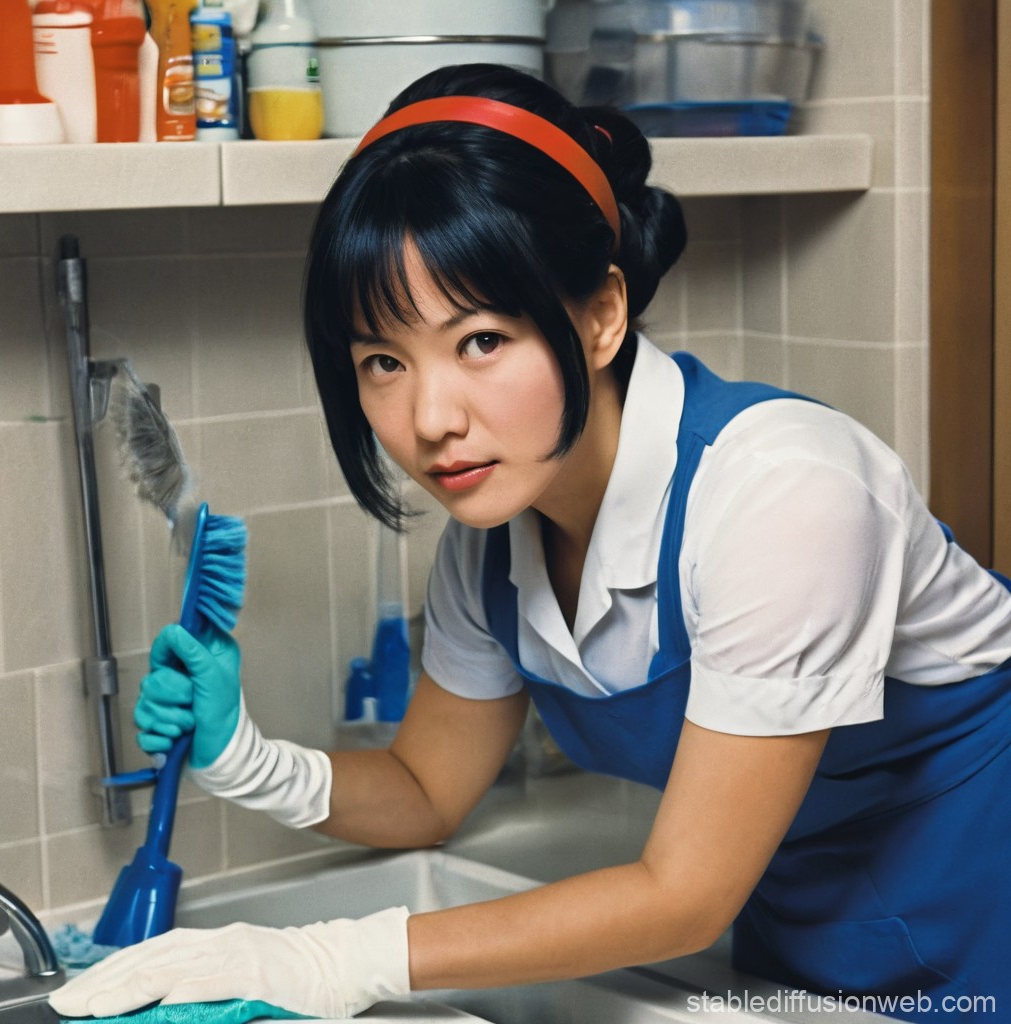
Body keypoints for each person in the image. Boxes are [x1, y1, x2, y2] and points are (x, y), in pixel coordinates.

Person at [52, 63, 1011, 1024]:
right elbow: (428, 790)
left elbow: (683, 895)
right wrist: (250, 760)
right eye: (382, 361)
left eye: (479, 342)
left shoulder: (784, 493)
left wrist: (333, 958)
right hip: (807, 942)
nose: (430, 419)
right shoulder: (497, 541)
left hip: (985, 913)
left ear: (600, 315)